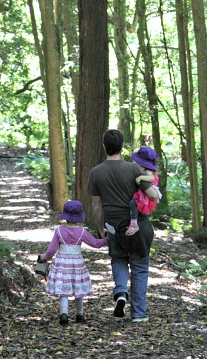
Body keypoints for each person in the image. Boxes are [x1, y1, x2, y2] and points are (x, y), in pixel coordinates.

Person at [88, 129, 160, 323]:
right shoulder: (134, 169)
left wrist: (101, 228)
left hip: (112, 223)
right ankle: (138, 313)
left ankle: (120, 292)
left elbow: (96, 205)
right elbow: (152, 195)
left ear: (104, 147)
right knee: (139, 265)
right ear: (122, 147)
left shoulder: (95, 172)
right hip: (138, 225)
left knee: (118, 258)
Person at [39, 200, 109, 326]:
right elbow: (96, 244)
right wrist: (108, 239)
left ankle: (64, 314)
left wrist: (45, 258)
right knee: (78, 288)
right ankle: (80, 315)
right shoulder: (82, 232)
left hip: (62, 263)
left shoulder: (59, 231)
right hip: (77, 264)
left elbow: (51, 250)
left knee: (64, 290)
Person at [125, 146, 161, 236]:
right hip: (143, 193)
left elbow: (151, 178)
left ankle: (134, 223)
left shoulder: (147, 171)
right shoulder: (145, 170)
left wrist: (141, 177)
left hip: (145, 194)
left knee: (133, 203)